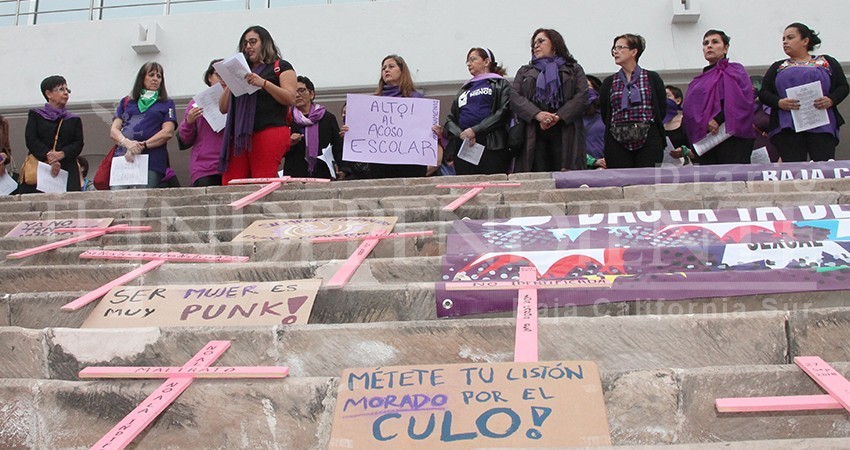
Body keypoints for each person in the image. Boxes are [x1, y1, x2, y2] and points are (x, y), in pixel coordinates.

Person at [759, 22, 848, 162]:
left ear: (805, 41)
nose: (785, 42)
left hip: (821, 123)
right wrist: (779, 102)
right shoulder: (778, 66)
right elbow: (764, 93)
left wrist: (831, 99)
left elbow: (843, 87)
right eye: (783, 39)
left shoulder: (826, 62)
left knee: (822, 166)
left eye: (790, 38)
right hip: (788, 126)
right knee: (793, 167)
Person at [219, 25, 297, 184]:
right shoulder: (242, 71)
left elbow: (290, 98)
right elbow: (223, 108)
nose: (248, 46)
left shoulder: (280, 66)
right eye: (245, 43)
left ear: (265, 43)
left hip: (269, 131)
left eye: (253, 42)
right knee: (231, 183)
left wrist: (264, 84)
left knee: (262, 181)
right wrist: (231, 81)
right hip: (240, 137)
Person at [511, 28, 588, 172]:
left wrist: (558, 117)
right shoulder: (525, 71)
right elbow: (515, 97)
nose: (536, 46)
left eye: (541, 41)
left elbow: (582, 96)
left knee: (565, 175)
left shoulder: (574, 69)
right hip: (534, 130)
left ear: (554, 44)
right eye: (534, 43)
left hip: (565, 128)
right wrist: (537, 115)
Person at [683, 30, 755, 165]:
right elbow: (691, 110)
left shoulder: (735, 70)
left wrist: (718, 119)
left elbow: (741, 100)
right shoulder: (697, 81)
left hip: (732, 137)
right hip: (706, 140)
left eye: (715, 42)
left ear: (726, 47)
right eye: (705, 43)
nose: (709, 46)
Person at [600, 33, 667, 169]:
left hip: (648, 136)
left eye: (620, 47)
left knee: (647, 180)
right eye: (614, 48)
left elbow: (661, 109)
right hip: (616, 137)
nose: (615, 52)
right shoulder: (609, 82)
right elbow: (605, 113)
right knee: (621, 180)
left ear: (634, 51)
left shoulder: (651, 78)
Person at [444, 47, 513, 175]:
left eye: (473, 59)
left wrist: (475, 130)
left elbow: (503, 112)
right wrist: (462, 134)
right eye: (467, 61)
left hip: (492, 144)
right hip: (466, 145)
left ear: (486, 62)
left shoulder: (500, 84)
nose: (469, 64)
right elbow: (450, 119)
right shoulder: (465, 89)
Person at [109, 62, 177, 189]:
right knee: (118, 200)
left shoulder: (167, 103)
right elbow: (114, 130)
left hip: (151, 161)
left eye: (159, 76)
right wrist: (127, 143)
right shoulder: (127, 101)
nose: (155, 79)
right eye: (151, 75)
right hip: (124, 158)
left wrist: (142, 145)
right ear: (142, 78)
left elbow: (168, 132)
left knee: (143, 199)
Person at [21, 75, 84, 193]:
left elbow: (78, 143)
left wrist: (62, 154)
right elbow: (31, 139)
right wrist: (50, 157)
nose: (66, 93)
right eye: (61, 89)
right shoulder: (36, 115)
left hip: (67, 169)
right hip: (41, 167)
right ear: (48, 94)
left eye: (67, 90)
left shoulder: (73, 119)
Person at [283, 75, 342, 179]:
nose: (297, 95)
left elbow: (337, 146)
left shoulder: (327, 117)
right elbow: (277, 150)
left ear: (311, 94)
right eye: (293, 92)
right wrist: (288, 142)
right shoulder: (287, 118)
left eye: (301, 90)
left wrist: (343, 169)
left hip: (322, 172)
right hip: (294, 173)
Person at [178, 59, 225, 187]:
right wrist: (189, 121)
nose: (223, 80)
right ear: (209, 77)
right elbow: (184, 139)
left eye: (227, 75)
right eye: (219, 75)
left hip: (231, 164)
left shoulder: (238, 101)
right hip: (204, 167)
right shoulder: (196, 103)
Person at [664, 85, 693, 162]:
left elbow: (696, 149)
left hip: (686, 168)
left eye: (667, 96)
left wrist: (684, 151)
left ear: (678, 101)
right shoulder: (656, 124)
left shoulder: (686, 121)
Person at [583, 75, 606, 169]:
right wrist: (593, 161)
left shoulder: (607, 114)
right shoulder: (571, 118)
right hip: (583, 169)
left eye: (589, 87)